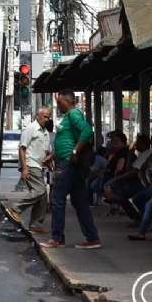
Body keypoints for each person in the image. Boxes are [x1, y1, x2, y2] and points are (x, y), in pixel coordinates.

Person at [40, 88, 101, 249]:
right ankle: (92, 237)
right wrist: (53, 156)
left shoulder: (73, 114)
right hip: (69, 163)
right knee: (79, 201)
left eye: (59, 103)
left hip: (68, 164)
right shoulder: (69, 116)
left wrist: (75, 150)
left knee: (57, 198)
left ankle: (58, 238)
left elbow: (87, 131)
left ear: (68, 101)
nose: (58, 105)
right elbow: (66, 140)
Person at [5, 108, 51, 233]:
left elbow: (46, 151)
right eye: (44, 116)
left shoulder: (45, 132)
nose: (46, 119)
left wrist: (49, 162)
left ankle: (35, 225)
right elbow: (22, 148)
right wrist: (24, 168)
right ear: (38, 116)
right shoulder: (30, 129)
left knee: (42, 196)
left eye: (48, 117)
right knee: (40, 190)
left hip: (39, 165)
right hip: (31, 164)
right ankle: (14, 209)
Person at [123, 133, 152, 228]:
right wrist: (146, 183)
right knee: (136, 198)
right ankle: (150, 220)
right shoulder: (150, 157)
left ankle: (151, 221)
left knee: (144, 196)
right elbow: (141, 170)